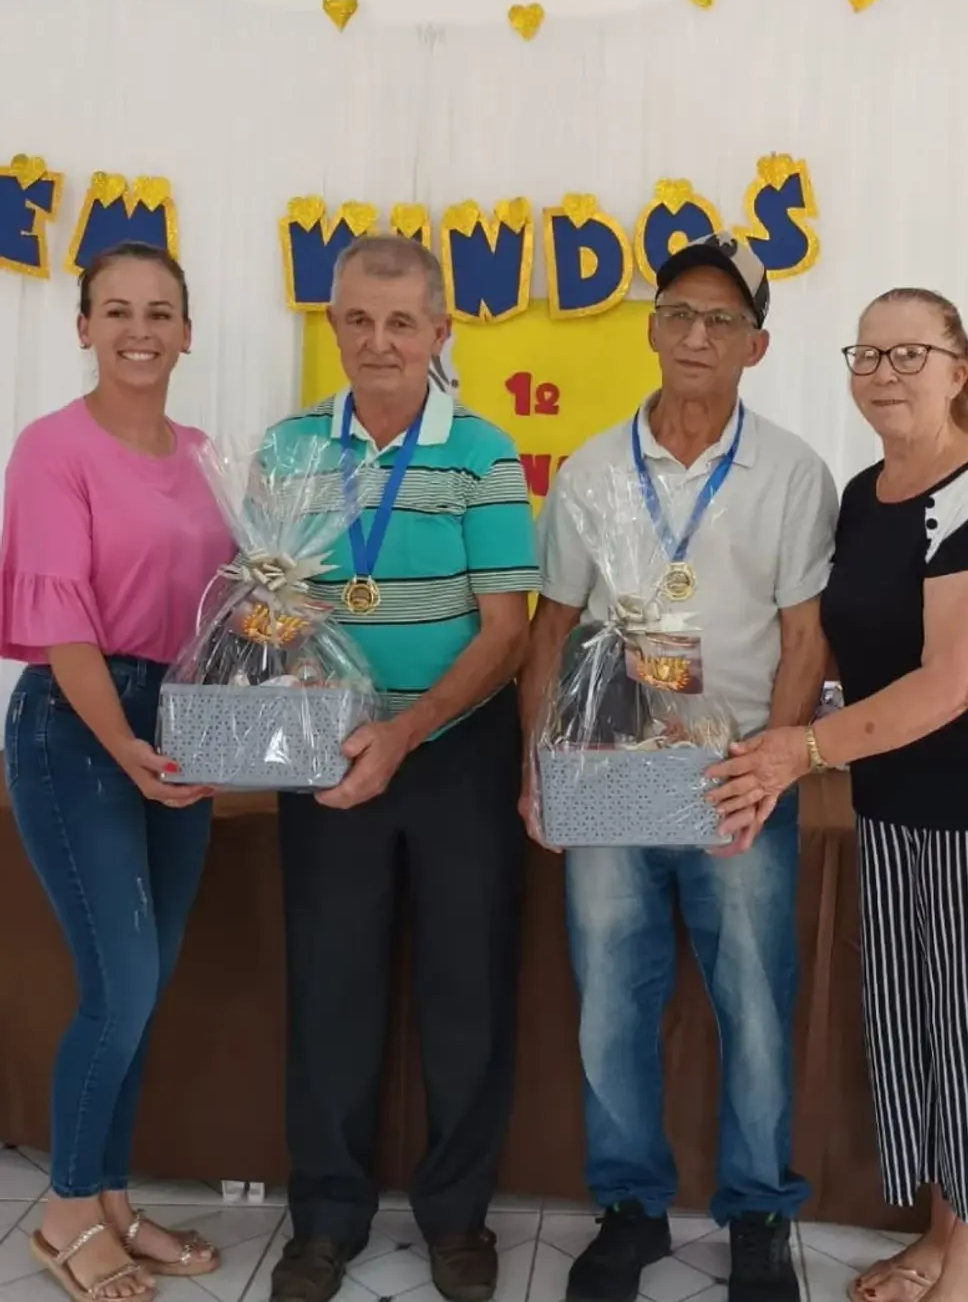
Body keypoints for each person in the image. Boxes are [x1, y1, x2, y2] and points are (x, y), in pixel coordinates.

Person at [710, 288, 968, 1302]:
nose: (883, 373)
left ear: (958, 368)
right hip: (898, 790)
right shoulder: (868, 492)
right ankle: (939, 1232)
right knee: (923, 1016)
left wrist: (804, 748)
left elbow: (959, 677)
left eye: (909, 353)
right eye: (865, 355)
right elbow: (839, 636)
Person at [518, 230, 838, 1302]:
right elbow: (551, 627)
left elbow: (805, 638)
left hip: (734, 777)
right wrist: (540, 767)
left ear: (756, 345)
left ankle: (755, 1212)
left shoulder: (793, 472)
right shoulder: (593, 469)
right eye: (680, 314)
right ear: (652, 328)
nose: (697, 335)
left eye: (723, 321)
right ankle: (630, 1207)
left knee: (754, 993)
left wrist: (770, 770)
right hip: (609, 779)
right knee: (611, 993)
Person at [265, 235, 539, 1302]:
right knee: (331, 989)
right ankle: (325, 1219)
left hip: (455, 749)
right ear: (333, 326)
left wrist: (408, 729)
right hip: (325, 748)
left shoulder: (484, 452)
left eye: (401, 322)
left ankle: (457, 1218)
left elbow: (506, 630)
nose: (378, 342)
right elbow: (270, 605)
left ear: (440, 332)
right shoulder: (288, 452)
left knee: (467, 993)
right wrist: (294, 681)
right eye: (358, 320)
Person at [0, 242, 232, 1300]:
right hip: (76, 723)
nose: (140, 328)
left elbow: (236, 614)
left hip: (181, 722)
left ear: (188, 331)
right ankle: (61, 1215)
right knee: (120, 982)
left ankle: (110, 1198)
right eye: (117, 310)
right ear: (84, 327)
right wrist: (126, 748)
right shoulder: (50, 449)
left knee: (145, 986)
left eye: (161, 311)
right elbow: (65, 627)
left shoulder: (207, 456)